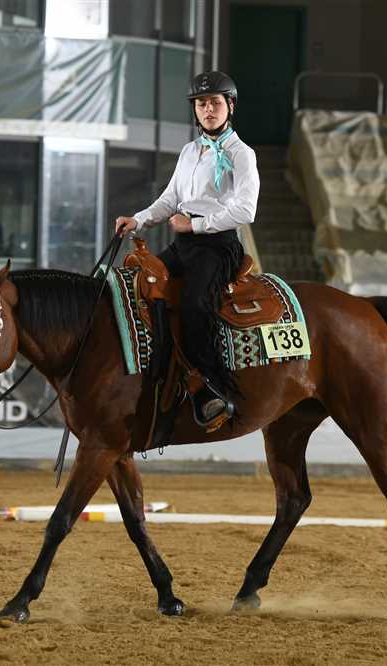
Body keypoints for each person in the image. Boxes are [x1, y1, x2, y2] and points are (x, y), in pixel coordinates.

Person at [115, 70, 260, 428]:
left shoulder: (242, 154)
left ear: (230, 106)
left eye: (214, 102)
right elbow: (170, 199)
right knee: (143, 288)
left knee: (196, 304)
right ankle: (160, 372)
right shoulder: (189, 151)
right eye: (201, 103)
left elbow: (246, 211)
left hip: (218, 246)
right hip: (184, 245)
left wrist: (194, 225)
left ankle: (210, 389)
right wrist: (138, 220)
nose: (208, 109)